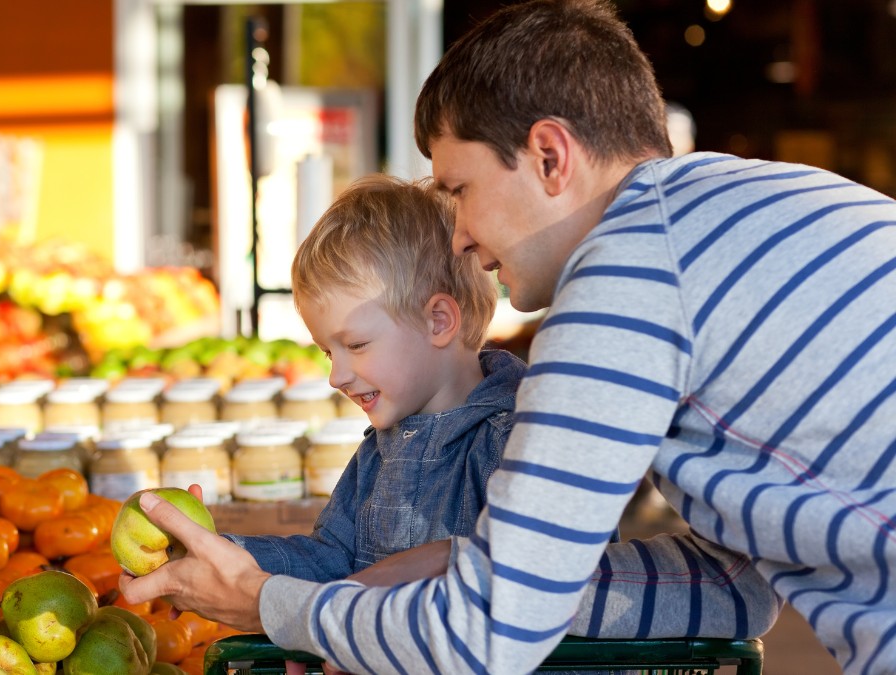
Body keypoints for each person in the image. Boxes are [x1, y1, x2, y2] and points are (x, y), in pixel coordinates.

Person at [122, 1, 896, 673]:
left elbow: (486, 636)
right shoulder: (752, 200)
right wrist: (469, 564)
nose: (456, 236)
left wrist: (268, 602)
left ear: (550, 156)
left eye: (459, 189)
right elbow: (737, 588)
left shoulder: (627, 275)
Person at [224, 173, 526, 581]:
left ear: (438, 321)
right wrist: (223, 554)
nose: (336, 376)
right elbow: (329, 560)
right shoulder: (376, 454)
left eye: (358, 345)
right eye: (329, 352)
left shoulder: (515, 444)